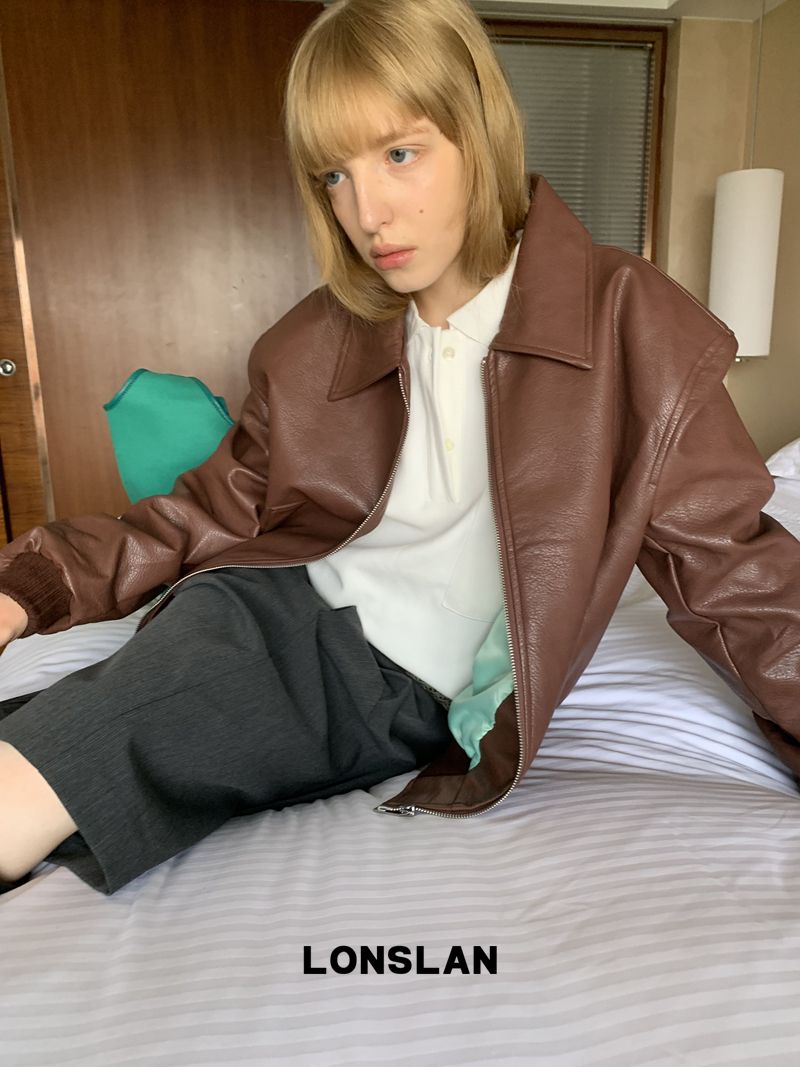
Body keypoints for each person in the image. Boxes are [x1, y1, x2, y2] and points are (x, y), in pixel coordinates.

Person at [1, 0, 798, 896]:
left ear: (478, 132)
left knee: (42, 785)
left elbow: (735, 571)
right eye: (333, 175)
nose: (366, 211)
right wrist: (24, 591)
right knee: (62, 746)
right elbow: (204, 514)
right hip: (263, 601)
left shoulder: (628, 320)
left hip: (388, 677)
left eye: (400, 154)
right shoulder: (312, 340)